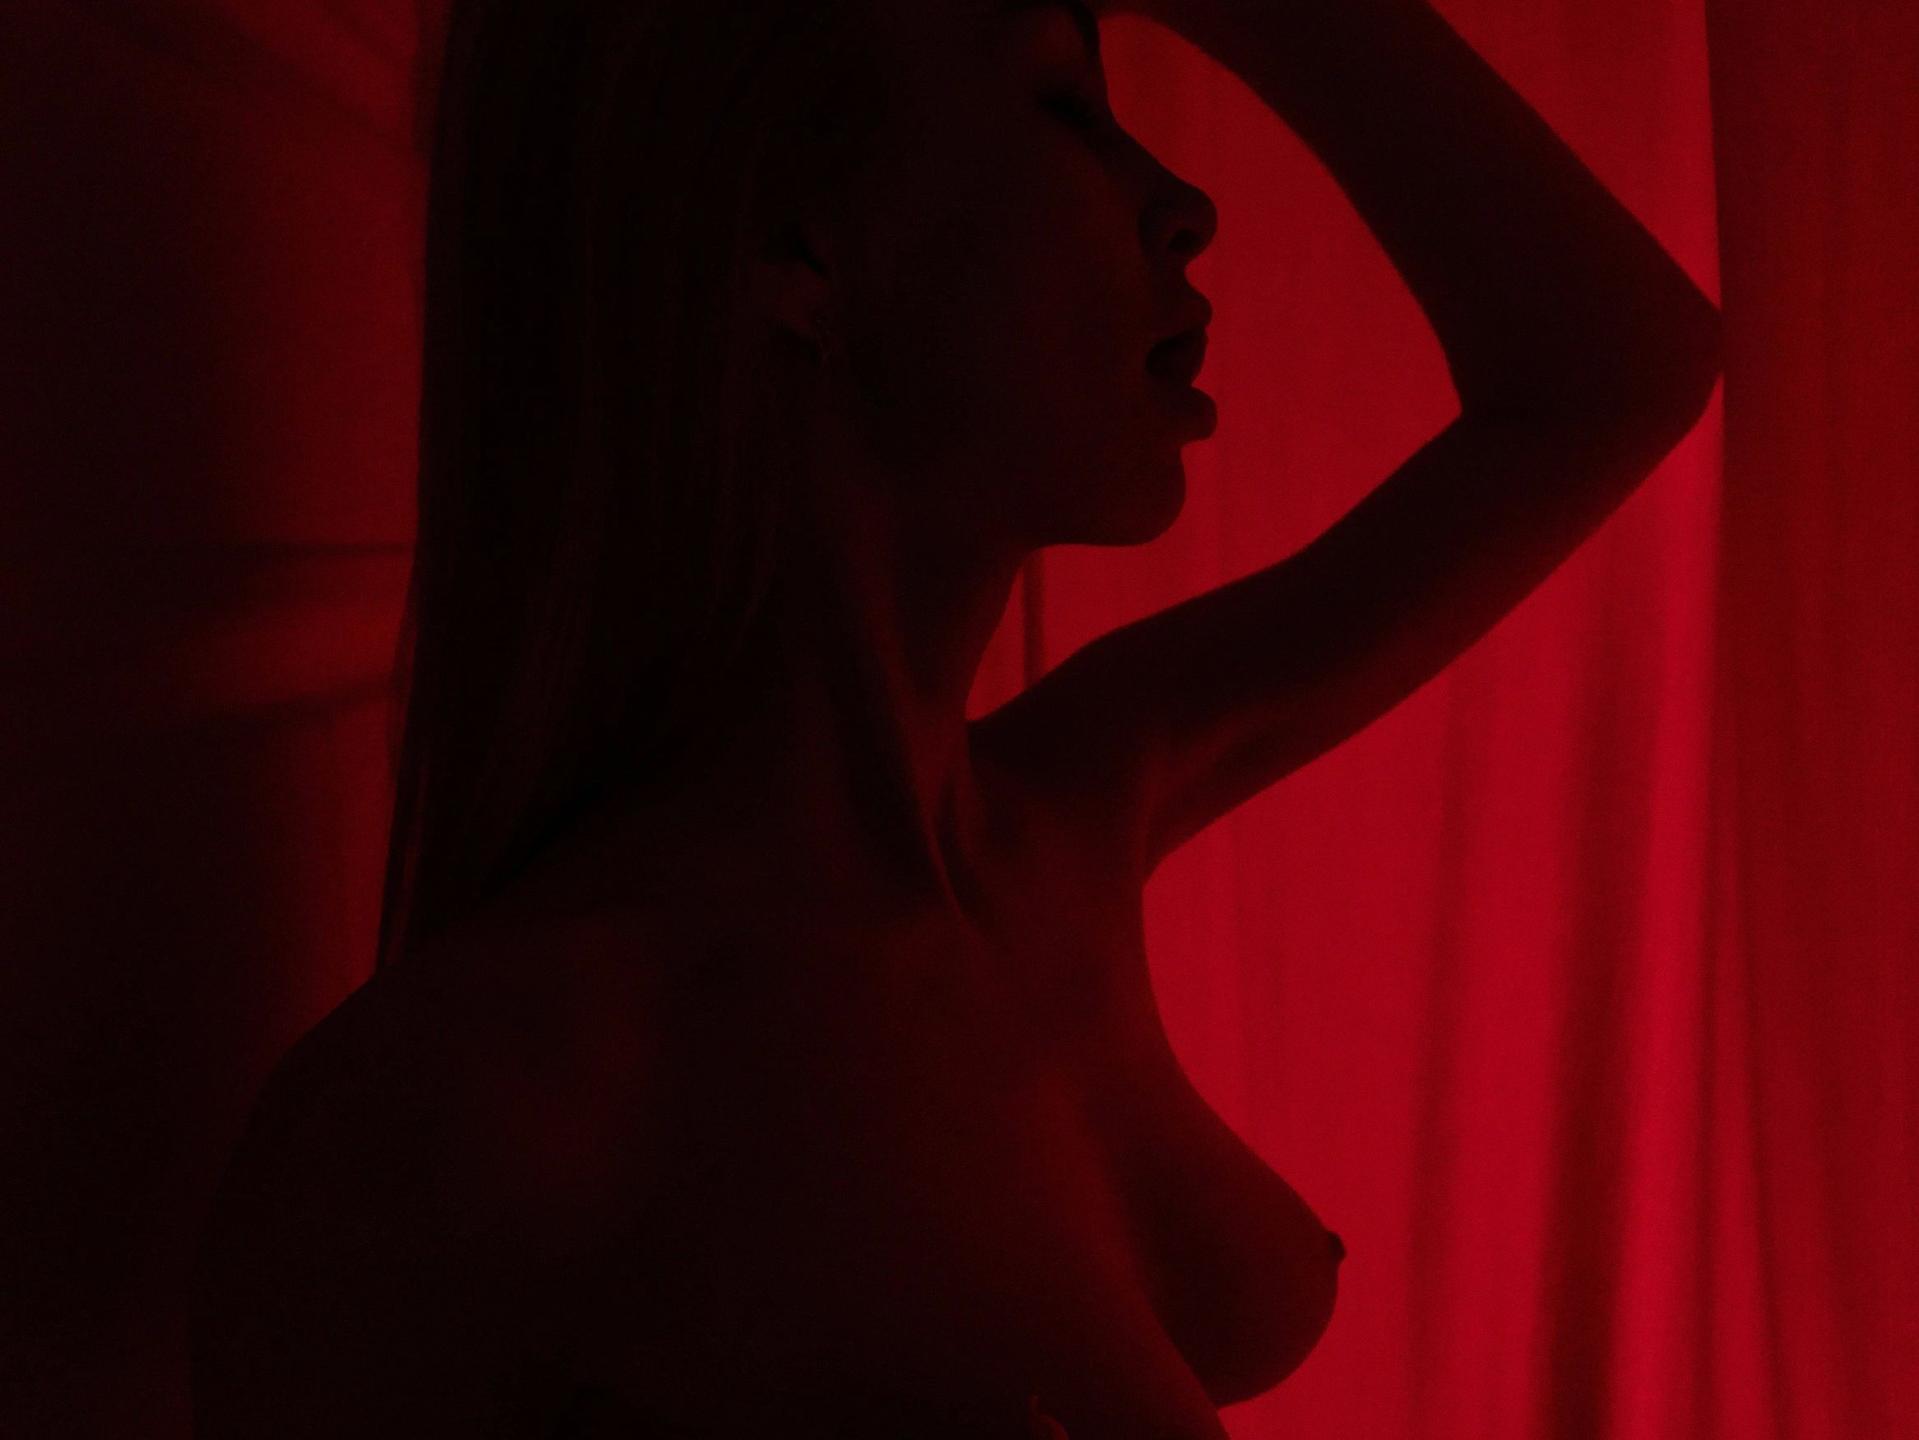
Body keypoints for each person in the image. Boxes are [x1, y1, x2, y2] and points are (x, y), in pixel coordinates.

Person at [188, 0, 1721, 1435]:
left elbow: (1619, 367)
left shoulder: (1080, 806)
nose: (1183, 204)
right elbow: (1606, 373)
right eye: (1065, 107)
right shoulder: (487, 1100)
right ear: (799, 243)